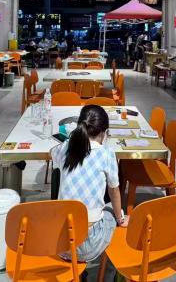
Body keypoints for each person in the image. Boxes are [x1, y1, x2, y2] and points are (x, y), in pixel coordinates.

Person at [51, 105, 128, 264]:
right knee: (111, 210)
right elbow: (114, 191)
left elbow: (51, 153)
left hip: (61, 242)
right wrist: (120, 218)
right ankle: (111, 269)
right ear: (104, 132)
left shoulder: (67, 147)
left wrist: (70, 141)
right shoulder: (107, 154)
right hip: (88, 244)